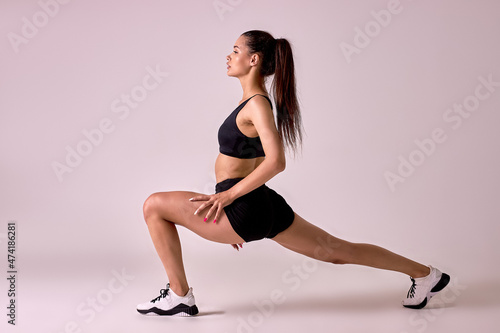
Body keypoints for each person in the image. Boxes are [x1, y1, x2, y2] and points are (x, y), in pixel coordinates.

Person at [136, 30, 450, 316]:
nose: (229, 57)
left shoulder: (256, 105)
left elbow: (276, 161)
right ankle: (425, 274)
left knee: (153, 205)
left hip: (246, 206)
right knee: (337, 251)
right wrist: (230, 213)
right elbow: (257, 160)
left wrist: (230, 198)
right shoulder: (254, 103)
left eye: (235, 50)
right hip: (255, 206)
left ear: (254, 59)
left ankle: (179, 295)